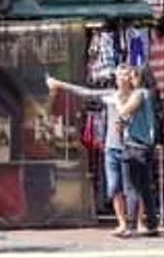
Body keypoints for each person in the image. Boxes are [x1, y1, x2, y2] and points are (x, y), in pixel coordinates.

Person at [48, 63, 138, 237]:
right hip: (111, 148)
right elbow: (86, 93)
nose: (123, 79)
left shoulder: (137, 97)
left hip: (131, 148)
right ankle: (122, 223)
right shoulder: (110, 96)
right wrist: (60, 85)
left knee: (131, 188)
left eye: (126, 75)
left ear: (131, 78)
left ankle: (134, 223)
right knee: (114, 187)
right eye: (120, 75)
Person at [122, 65, 161, 236]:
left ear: (139, 77)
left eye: (132, 77)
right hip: (146, 146)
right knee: (145, 187)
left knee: (132, 188)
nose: (130, 80)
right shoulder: (150, 94)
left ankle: (130, 225)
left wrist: (117, 101)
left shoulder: (139, 94)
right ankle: (152, 224)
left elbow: (124, 111)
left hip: (135, 146)